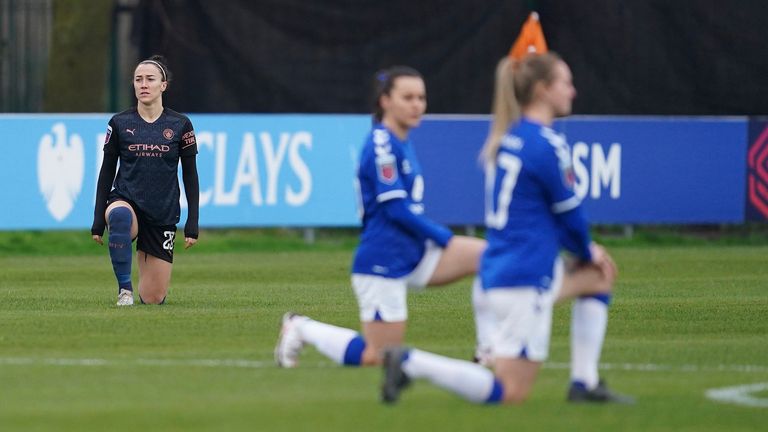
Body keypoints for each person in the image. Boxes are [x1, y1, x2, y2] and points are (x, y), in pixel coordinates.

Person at [379, 53, 633, 404]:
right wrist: (586, 250)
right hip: (523, 277)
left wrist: (584, 256)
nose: (572, 92)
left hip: (500, 268)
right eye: (566, 83)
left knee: (599, 276)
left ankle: (584, 384)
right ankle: (411, 363)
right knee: (509, 393)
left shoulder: (508, 138)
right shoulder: (545, 144)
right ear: (544, 90)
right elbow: (570, 215)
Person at [274, 66, 486, 368]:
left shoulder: (402, 140)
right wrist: (443, 237)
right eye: (408, 97)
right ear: (385, 101)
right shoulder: (381, 144)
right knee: (377, 356)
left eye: (421, 97)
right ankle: (301, 327)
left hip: (413, 251)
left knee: (488, 256)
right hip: (383, 258)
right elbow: (395, 209)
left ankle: (487, 353)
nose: (417, 105)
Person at [91, 55, 199, 306]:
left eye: (150, 79)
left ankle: (142, 283)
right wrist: (98, 219)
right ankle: (124, 291)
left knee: (153, 298)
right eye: (138, 79)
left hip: (162, 212)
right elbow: (106, 172)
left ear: (163, 85)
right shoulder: (119, 123)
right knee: (119, 216)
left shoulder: (181, 124)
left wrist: (192, 221)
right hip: (126, 200)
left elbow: (190, 175)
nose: (143, 84)